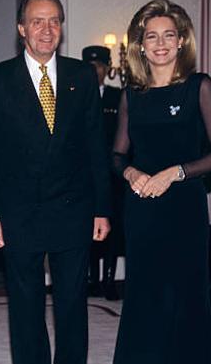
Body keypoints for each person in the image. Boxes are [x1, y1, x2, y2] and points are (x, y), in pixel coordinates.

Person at [0, 0, 112, 364]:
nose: (46, 29)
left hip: (73, 209)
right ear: (22, 28)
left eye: (54, 21)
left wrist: (102, 208)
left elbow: (96, 147)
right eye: (37, 21)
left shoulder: (81, 75)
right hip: (19, 213)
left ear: (61, 28)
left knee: (71, 305)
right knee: (25, 307)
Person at [112, 0, 211, 364]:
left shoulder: (200, 87)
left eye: (169, 35)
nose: (160, 44)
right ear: (140, 45)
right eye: (152, 37)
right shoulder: (131, 95)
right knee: (145, 295)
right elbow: (117, 155)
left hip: (184, 208)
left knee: (186, 295)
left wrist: (175, 172)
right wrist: (131, 171)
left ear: (181, 41)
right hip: (142, 208)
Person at [82, 45, 123, 300]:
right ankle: (91, 280)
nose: (95, 70)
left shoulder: (118, 97)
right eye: (90, 66)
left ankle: (109, 279)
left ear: (108, 69)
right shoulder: (75, 96)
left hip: (113, 175)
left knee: (112, 228)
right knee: (86, 228)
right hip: (84, 175)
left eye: (100, 66)